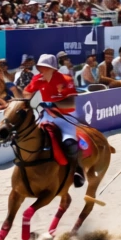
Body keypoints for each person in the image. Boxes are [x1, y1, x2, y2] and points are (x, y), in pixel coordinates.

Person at [23, 54, 85, 187]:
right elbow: (26, 94)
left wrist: (53, 104)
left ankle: (77, 169)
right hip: (46, 115)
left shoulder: (65, 79)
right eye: (40, 67)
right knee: (32, 138)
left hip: (65, 117)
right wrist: (14, 90)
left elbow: (70, 104)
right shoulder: (37, 79)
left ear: (53, 68)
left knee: (69, 143)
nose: (41, 70)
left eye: (45, 67)